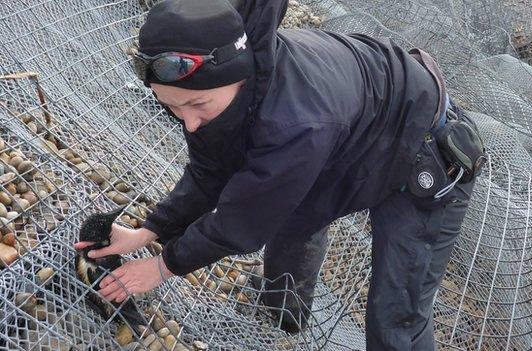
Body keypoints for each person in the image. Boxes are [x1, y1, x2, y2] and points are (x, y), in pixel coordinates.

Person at [73, 0, 484, 349]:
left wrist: (162, 267)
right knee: (291, 217)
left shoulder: (295, 122)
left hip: (423, 152)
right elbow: (209, 171)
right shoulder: (219, 93)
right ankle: (284, 319)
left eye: (196, 105)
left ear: (236, 76)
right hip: (348, 135)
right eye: (174, 108)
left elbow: (242, 221)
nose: (190, 123)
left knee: (397, 313)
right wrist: (149, 231)